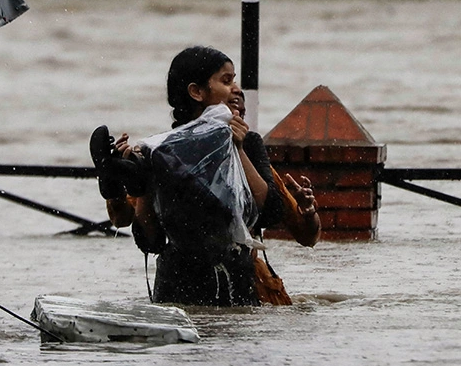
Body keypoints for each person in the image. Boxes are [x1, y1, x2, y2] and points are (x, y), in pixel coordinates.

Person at [90, 46, 319, 306]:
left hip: (232, 286)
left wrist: (239, 149)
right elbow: (149, 240)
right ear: (196, 92)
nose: (236, 89)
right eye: (226, 80)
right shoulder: (163, 152)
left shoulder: (246, 143)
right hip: (182, 290)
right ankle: (129, 174)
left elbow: (271, 212)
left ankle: (128, 172)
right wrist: (143, 186)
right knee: (150, 170)